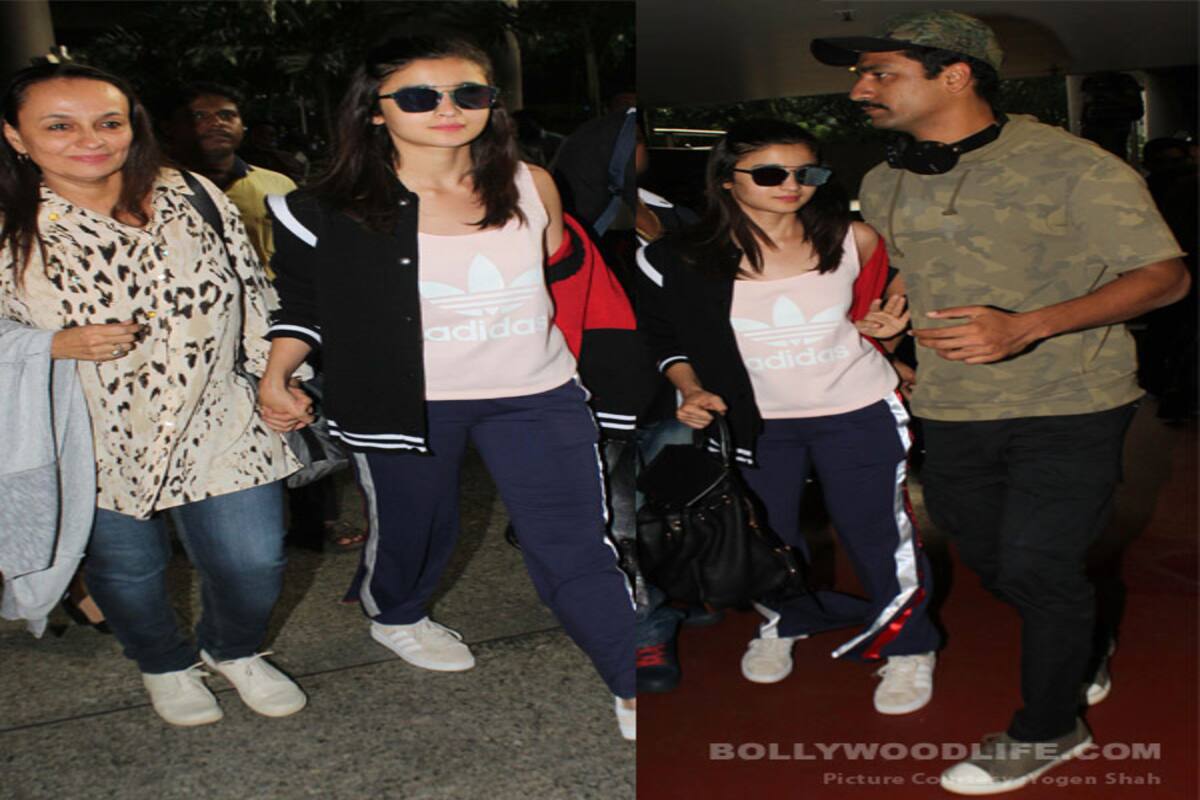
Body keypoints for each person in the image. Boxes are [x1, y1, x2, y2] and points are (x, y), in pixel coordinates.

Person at [811, 10, 1190, 794]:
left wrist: (1029, 326)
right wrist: (892, 313)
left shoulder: (1072, 166)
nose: (860, 90)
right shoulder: (885, 179)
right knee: (991, 558)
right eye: (862, 75)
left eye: (881, 73)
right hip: (953, 405)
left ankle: (1049, 728)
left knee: (1038, 563)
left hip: (1072, 398)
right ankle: (1083, 642)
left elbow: (1166, 277)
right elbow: (909, 266)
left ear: (955, 75)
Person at [256, 35, 636, 739]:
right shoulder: (322, 208)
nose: (448, 108)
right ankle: (396, 614)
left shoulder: (531, 184)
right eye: (419, 96)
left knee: (576, 543)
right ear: (375, 110)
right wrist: (279, 374)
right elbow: (304, 305)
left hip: (537, 394)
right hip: (403, 402)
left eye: (469, 93)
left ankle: (632, 681)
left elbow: (564, 280)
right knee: (417, 526)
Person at [0, 62, 308, 726]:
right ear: (16, 136)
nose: (91, 139)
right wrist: (51, 344)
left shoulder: (191, 193)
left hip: (217, 414)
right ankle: (163, 663)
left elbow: (253, 292)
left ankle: (234, 649)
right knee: (128, 572)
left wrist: (278, 378)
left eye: (109, 122)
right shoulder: (10, 222)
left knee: (254, 561)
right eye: (60, 126)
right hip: (88, 436)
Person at [636, 119, 941, 713]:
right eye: (772, 173)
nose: (792, 185)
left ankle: (909, 646)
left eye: (807, 173)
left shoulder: (854, 239)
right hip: (754, 421)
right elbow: (663, 336)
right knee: (764, 535)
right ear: (727, 179)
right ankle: (785, 621)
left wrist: (887, 334)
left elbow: (876, 314)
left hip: (856, 408)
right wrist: (689, 389)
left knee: (879, 532)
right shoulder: (675, 256)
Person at [162, 82, 297, 271]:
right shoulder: (149, 188)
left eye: (227, 115)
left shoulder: (278, 185)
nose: (217, 123)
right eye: (199, 116)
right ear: (169, 127)